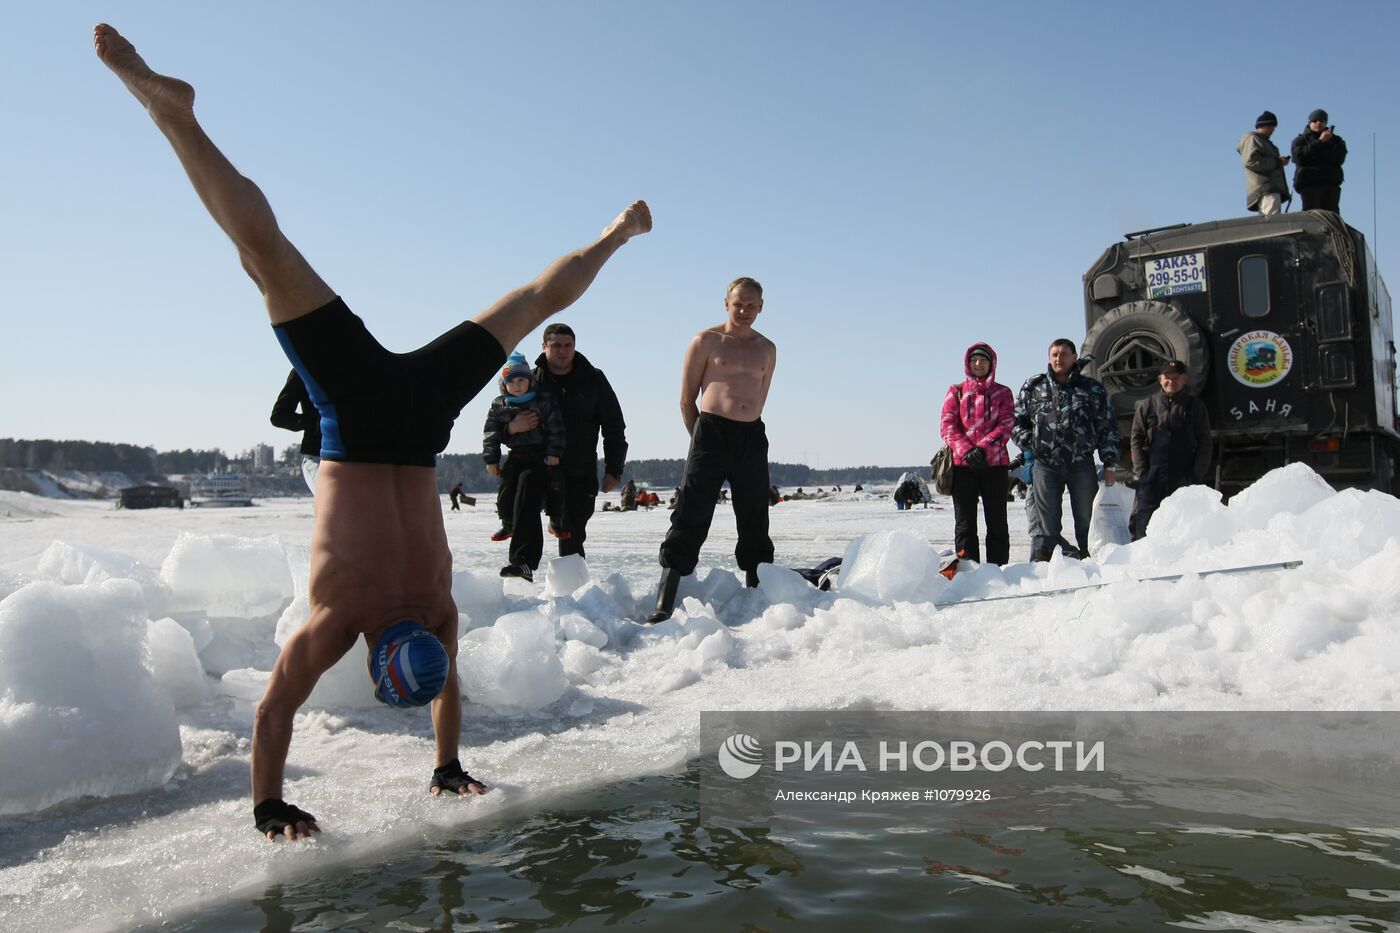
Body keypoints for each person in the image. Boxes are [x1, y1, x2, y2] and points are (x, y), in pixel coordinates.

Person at [92, 24, 652, 840]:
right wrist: (269, 806)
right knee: (262, 254)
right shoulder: (340, 618)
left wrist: (448, 761)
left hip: (419, 419)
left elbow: (447, 683)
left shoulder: (433, 612)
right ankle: (173, 116)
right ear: (370, 658)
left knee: (533, 302)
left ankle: (615, 235)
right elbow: (273, 713)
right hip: (355, 422)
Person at [645, 277, 776, 623]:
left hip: (751, 437)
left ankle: (757, 594)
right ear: (726, 303)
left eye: (751, 305)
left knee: (754, 517)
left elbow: (761, 394)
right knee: (692, 513)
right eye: (738, 304)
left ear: (761, 306)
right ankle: (665, 599)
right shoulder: (706, 341)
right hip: (711, 433)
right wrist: (700, 439)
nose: (745, 310)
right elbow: (686, 399)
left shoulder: (767, 348)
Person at [496, 323, 626, 559]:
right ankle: (522, 575)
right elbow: (498, 423)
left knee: (572, 531)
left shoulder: (593, 380)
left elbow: (614, 427)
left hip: (579, 469)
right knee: (526, 520)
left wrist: (614, 470)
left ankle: (572, 589)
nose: (563, 351)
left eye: (568, 346)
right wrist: (511, 428)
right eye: (556, 345)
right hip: (537, 466)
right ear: (544, 347)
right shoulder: (529, 382)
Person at [1012, 338, 1119, 562]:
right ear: (1049, 358)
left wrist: (1110, 463)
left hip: (1081, 464)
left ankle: (1090, 565)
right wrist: (1030, 441)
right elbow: (1015, 421)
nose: (1059, 358)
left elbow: (1106, 426)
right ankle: (1045, 569)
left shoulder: (1091, 388)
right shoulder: (1034, 386)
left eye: (1064, 354)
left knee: (1087, 520)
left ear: (1074, 357)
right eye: (1054, 354)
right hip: (1046, 466)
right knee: (1046, 523)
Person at [483, 352, 568, 581]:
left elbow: (556, 428)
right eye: (511, 381)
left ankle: (523, 562)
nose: (517, 385)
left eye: (521, 380)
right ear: (504, 384)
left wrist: (553, 453)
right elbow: (491, 433)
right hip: (515, 457)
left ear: (530, 380)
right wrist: (491, 458)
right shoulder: (500, 405)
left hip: (538, 459)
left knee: (527, 501)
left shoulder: (542, 401)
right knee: (506, 496)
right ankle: (507, 523)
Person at [940, 343, 1015, 565]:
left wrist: (981, 449)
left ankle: (998, 570)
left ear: (992, 364)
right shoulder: (956, 391)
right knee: (965, 525)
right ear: (967, 363)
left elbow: (1007, 424)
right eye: (974, 360)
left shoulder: (1003, 393)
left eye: (983, 360)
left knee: (997, 523)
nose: (979, 364)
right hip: (963, 468)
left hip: (996, 466)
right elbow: (947, 427)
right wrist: (967, 451)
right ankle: (967, 570)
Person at [1129, 360, 1212, 540]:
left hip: (1184, 475)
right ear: (1160, 379)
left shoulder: (1195, 406)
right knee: (1144, 523)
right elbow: (1136, 440)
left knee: (1186, 523)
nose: (1171, 382)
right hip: (1153, 475)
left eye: (1176, 378)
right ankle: (1141, 561)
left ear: (1184, 379)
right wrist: (1142, 472)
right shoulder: (1147, 406)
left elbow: (1205, 442)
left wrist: (1196, 475)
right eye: (1167, 378)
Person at [270, 369, 322, 493]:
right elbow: (279, 416)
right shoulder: (304, 368)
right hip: (316, 455)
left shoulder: (361, 365)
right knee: (335, 501)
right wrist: (317, 420)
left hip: (358, 457)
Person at [1291, 109, 1347, 213]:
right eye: (1315, 120)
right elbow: (1299, 157)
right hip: (1310, 184)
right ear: (1309, 122)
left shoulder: (1336, 141)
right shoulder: (1300, 140)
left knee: (1332, 218)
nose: (1318, 123)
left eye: (1321, 120)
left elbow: (1339, 158)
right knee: (1312, 217)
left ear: (1326, 122)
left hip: (1331, 185)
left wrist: (1317, 152)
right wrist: (1321, 142)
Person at [1238, 111, 1291, 216]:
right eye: (1272, 126)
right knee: (1273, 222)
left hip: (1267, 189)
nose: (1273, 130)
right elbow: (1251, 161)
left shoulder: (1262, 141)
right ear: (1265, 125)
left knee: (1269, 222)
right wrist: (1277, 161)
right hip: (1266, 188)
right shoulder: (1253, 139)